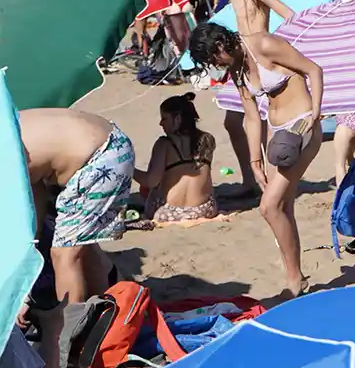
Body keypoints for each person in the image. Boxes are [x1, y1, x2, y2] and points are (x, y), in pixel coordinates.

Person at [189, 22, 323, 298]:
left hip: (301, 127)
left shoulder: (264, 45)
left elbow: (313, 69)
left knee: (269, 206)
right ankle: (296, 276)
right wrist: (254, 161)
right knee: (283, 206)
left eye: (214, 59)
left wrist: (316, 112)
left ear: (220, 45)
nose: (216, 66)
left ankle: (294, 280)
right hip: (279, 136)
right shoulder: (236, 70)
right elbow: (252, 117)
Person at [20, 109, 134, 305]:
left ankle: (71, 327)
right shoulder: (9, 126)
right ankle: (108, 311)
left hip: (100, 159)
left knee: (64, 255)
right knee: (83, 248)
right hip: (110, 143)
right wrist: (34, 240)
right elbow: (34, 184)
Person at [219, 0, 295, 198]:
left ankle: (272, 182)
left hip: (263, 56)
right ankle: (250, 177)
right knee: (232, 121)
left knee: (266, 121)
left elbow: (288, 15)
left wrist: (277, 45)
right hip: (241, 58)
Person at [135, 92, 219, 223]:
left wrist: (129, 170)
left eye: (164, 119)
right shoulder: (207, 139)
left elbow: (151, 181)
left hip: (169, 213)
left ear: (178, 119)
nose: (161, 123)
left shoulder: (164, 144)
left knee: (149, 188)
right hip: (205, 210)